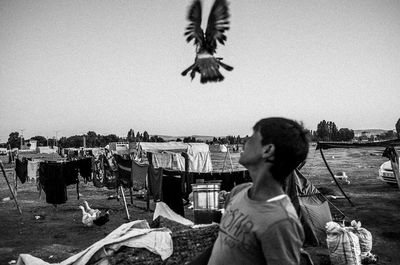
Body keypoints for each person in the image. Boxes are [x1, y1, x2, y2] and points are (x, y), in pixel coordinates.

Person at [206, 117, 309, 265]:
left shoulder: (281, 222)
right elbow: (221, 245)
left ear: (267, 150)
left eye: (252, 137)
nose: (244, 142)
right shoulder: (238, 192)